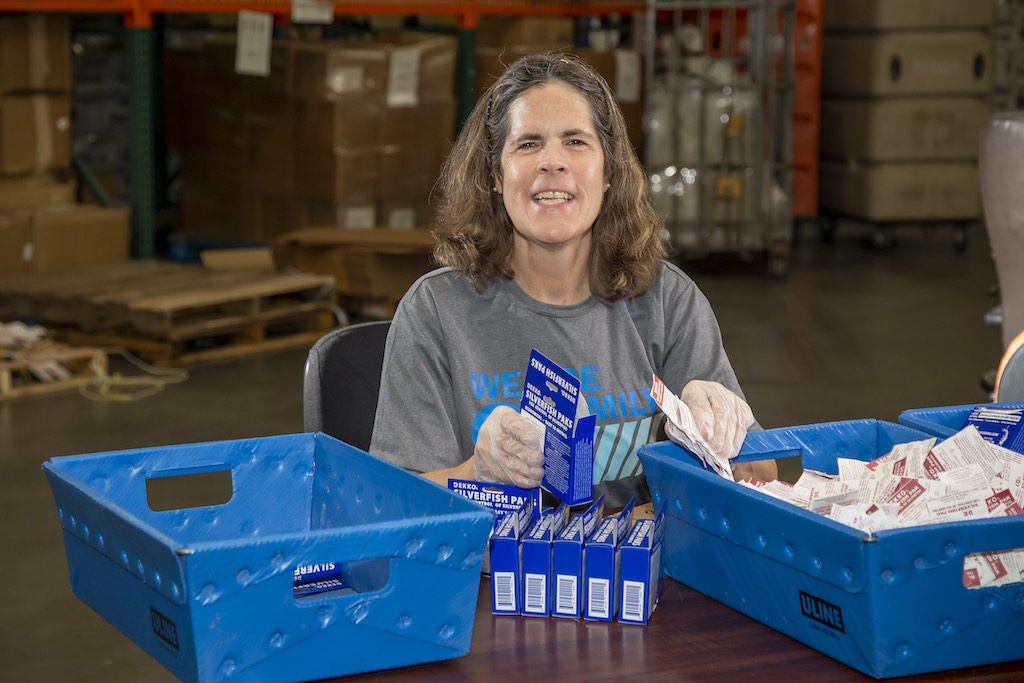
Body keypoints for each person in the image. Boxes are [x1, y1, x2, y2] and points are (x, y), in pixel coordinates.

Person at [369, 52, 776, 508]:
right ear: (494, 176)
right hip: (491, 573)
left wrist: (724, 433)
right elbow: (390, 502)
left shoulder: (666, 300)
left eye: (576, 142)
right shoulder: (437, 311)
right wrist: (476, 471)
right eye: (527, 145)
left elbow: (762, 478)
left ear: (608, 173)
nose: (552, 162)